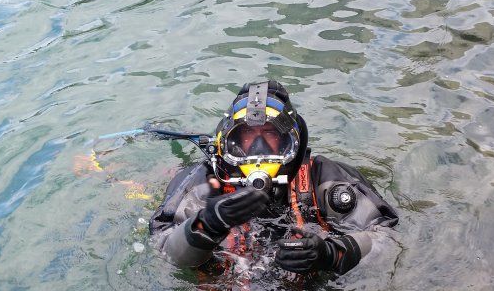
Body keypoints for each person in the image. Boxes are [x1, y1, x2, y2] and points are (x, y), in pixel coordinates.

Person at [149, 81, 399, 275]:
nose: (259, 149)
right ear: (229, 142)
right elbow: (164, 253)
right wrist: (208, 224)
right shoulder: (205, 183)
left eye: (270, 135)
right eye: (248, 137)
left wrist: (331, 254)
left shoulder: (323, 179)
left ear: (292, 143)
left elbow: (386, 238)